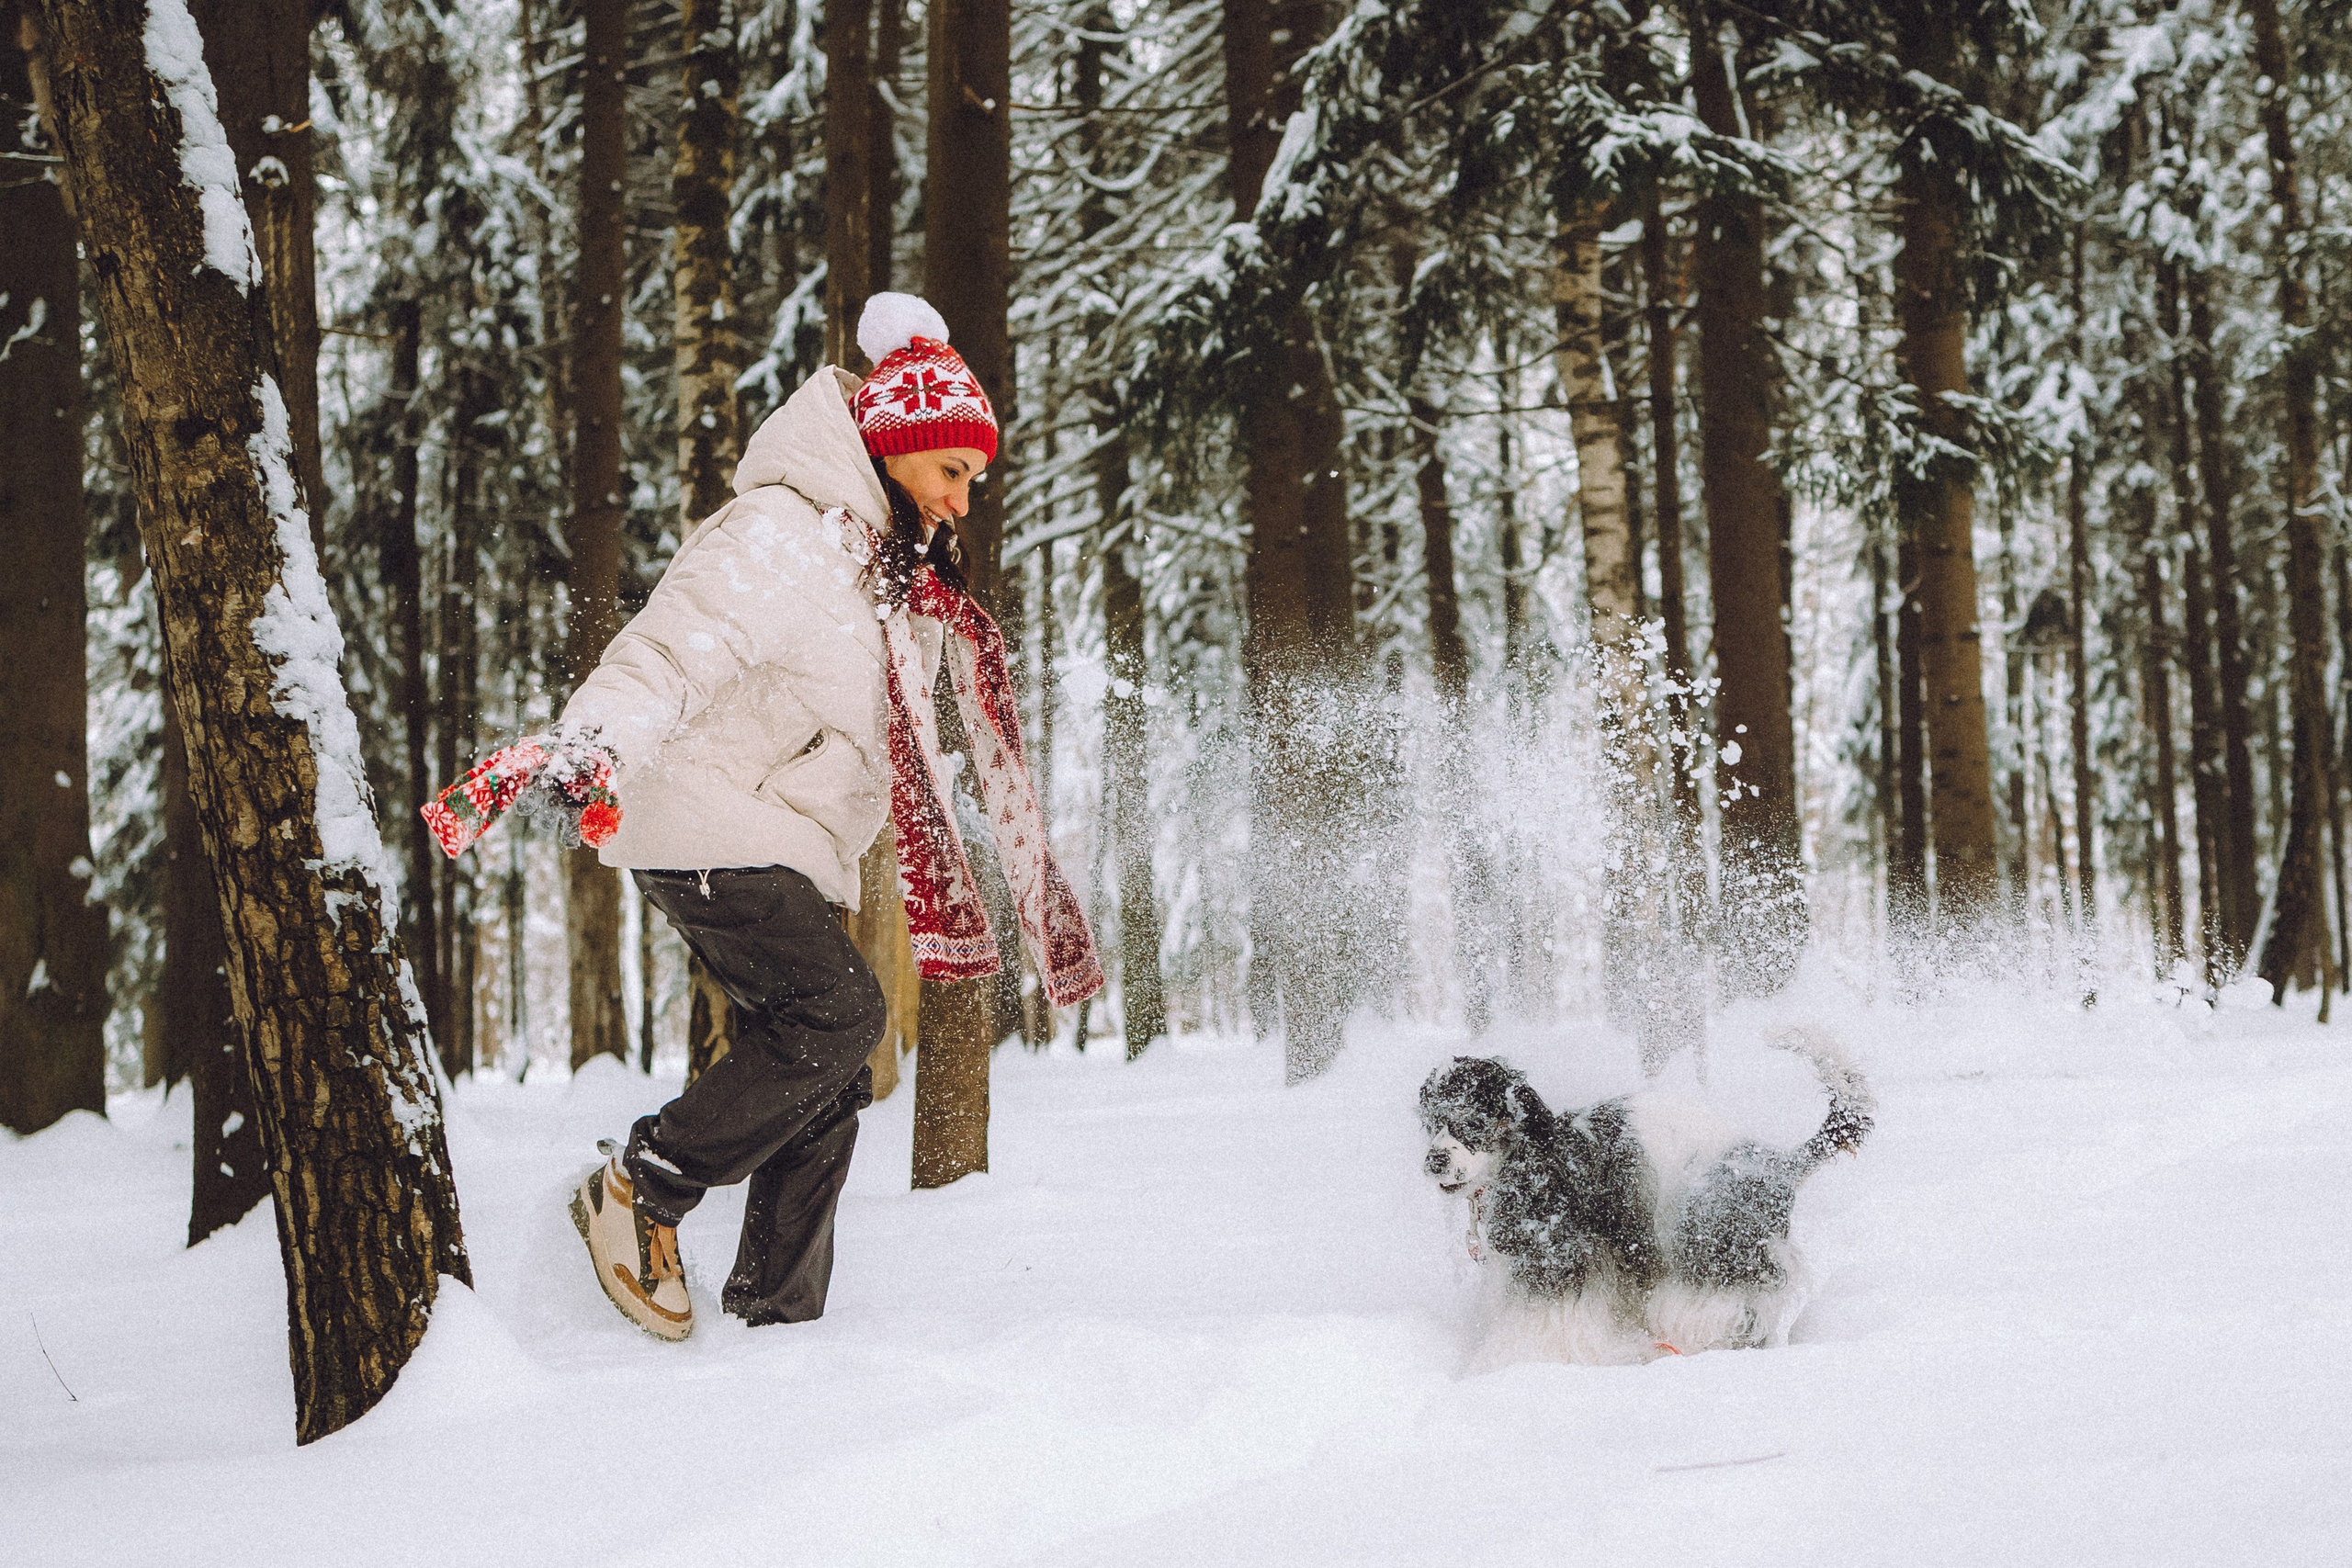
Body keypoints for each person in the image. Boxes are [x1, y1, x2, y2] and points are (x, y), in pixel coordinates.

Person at [497, 293, 1102, 1340]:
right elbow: (668, 648)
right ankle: (644, 1184)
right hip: (707, 819)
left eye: (973, 482)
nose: (963, 501)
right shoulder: (782, 531)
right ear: (900, 447)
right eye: (951, 471)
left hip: (770, 838)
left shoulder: (880, 572)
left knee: (825, 1081)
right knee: (839, 1020)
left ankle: (774, 1327)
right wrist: (592, 743)